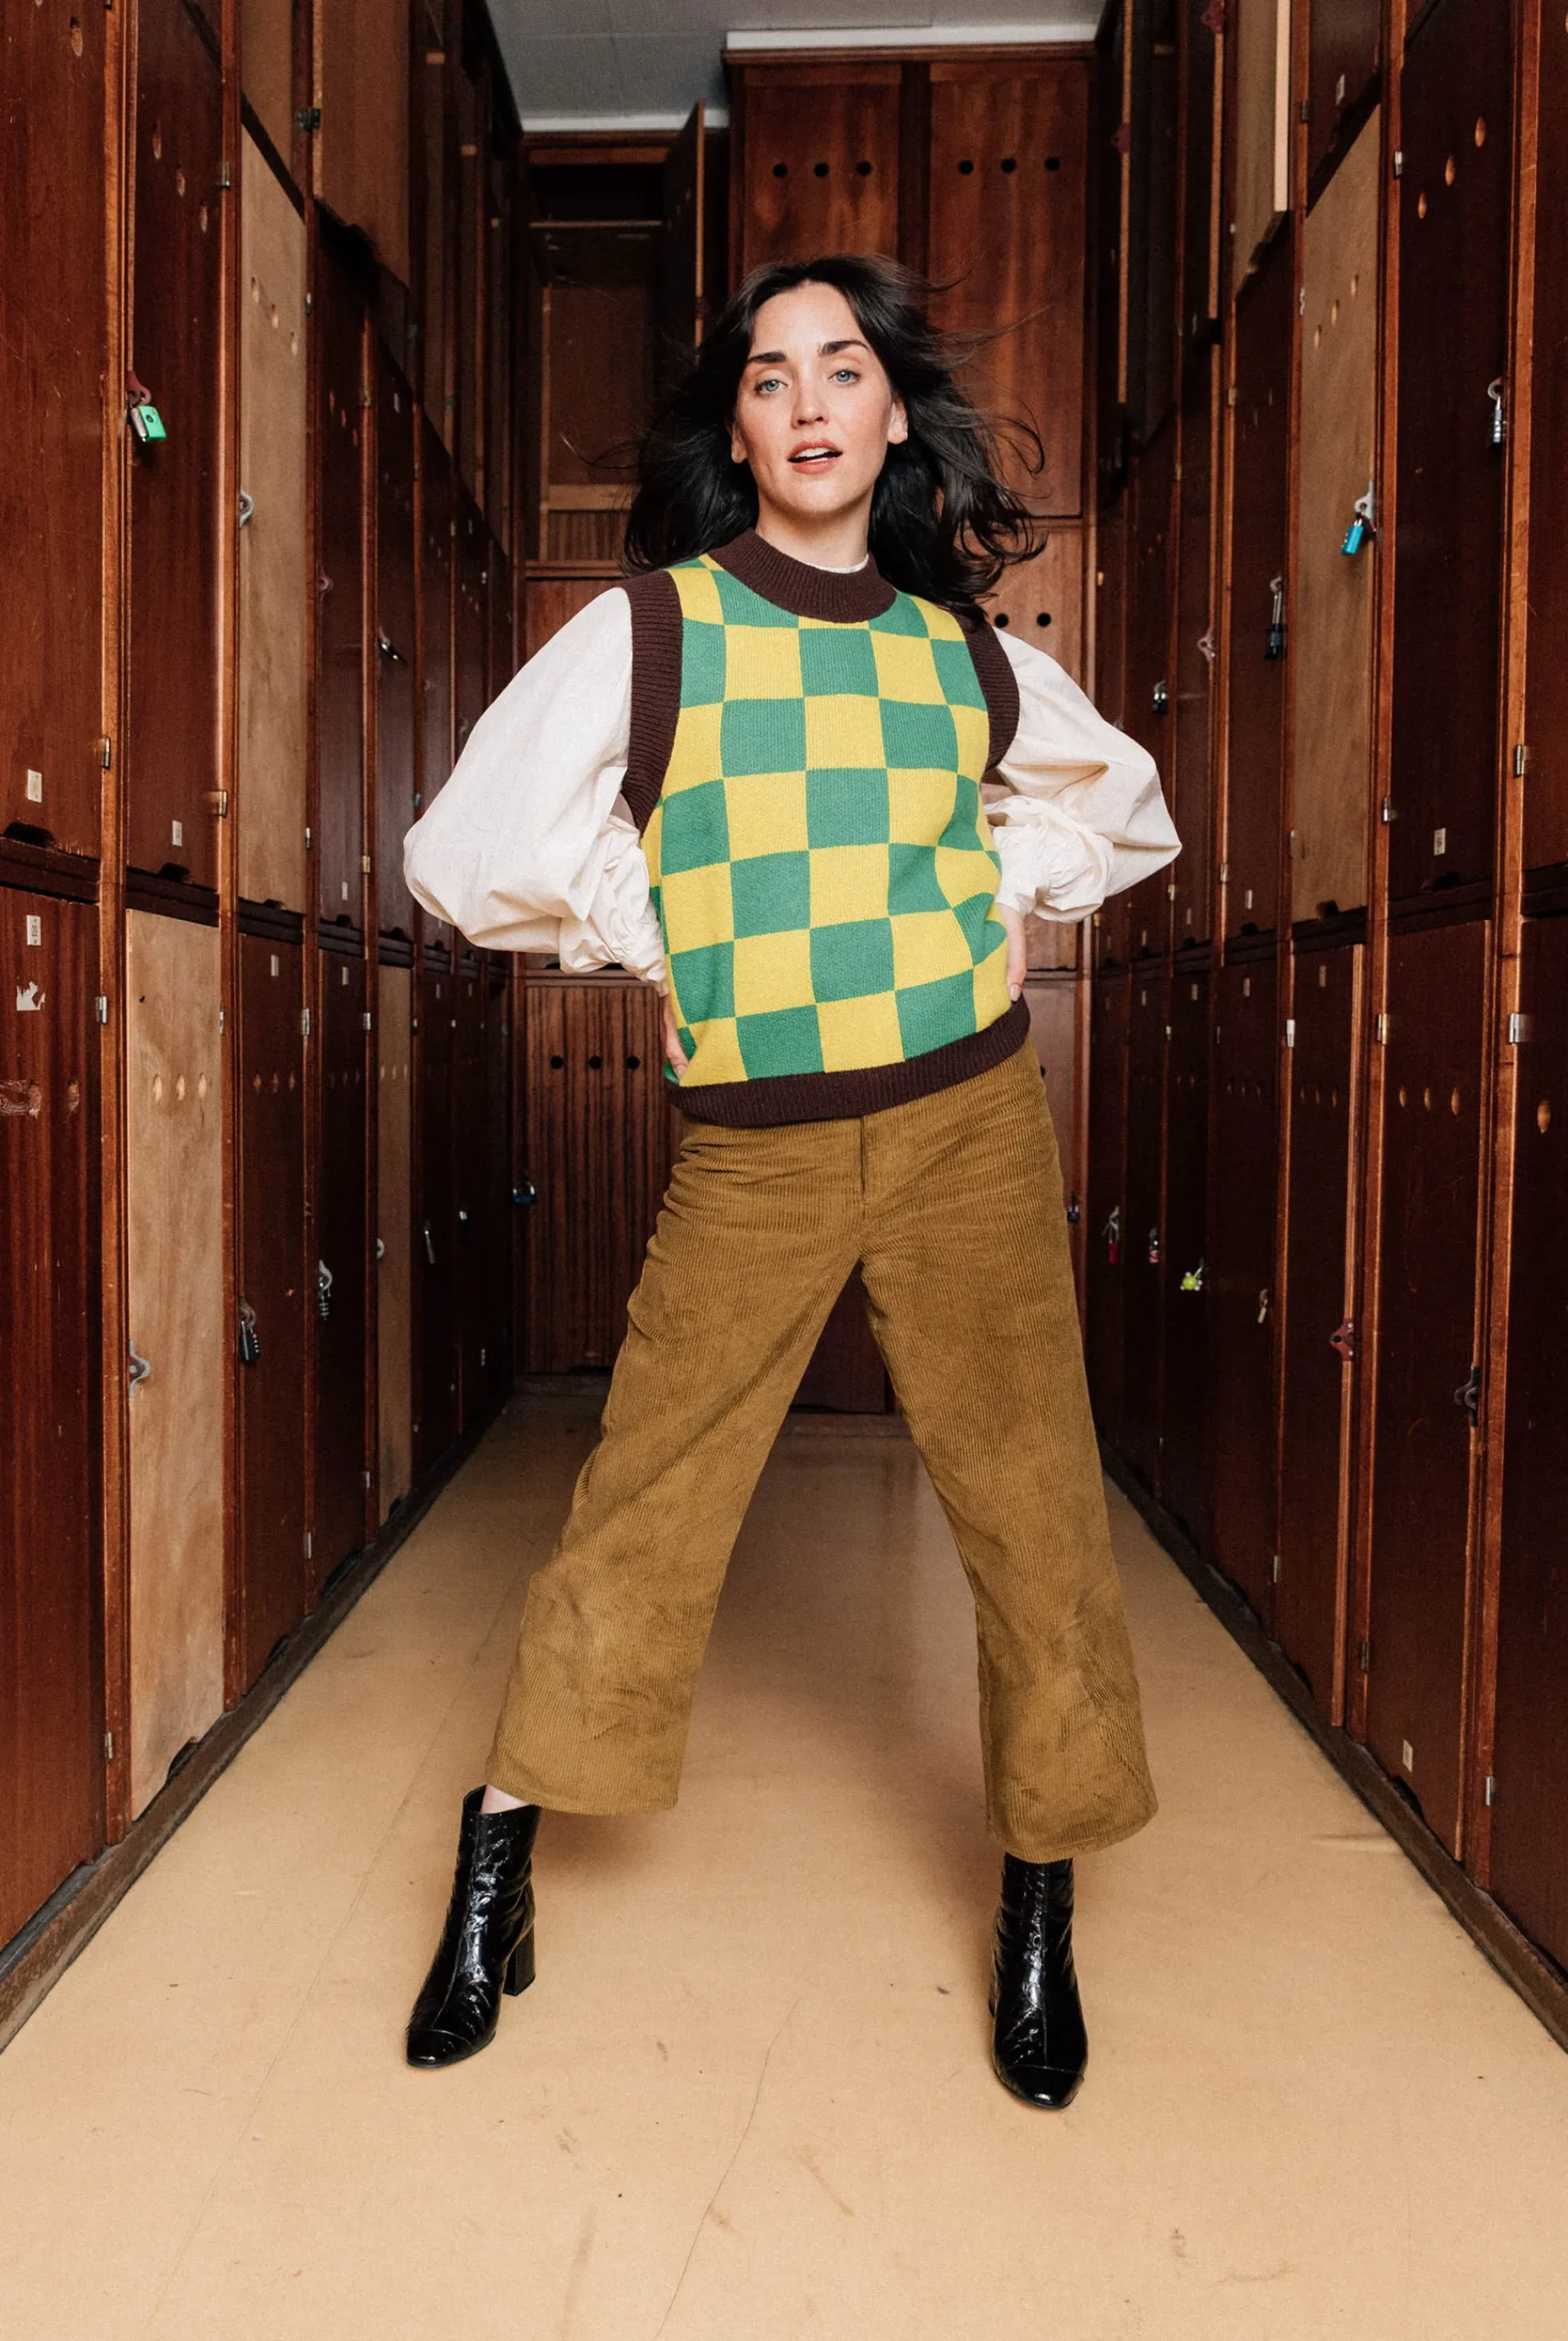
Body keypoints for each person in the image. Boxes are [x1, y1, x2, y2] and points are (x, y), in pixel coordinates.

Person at [401, 253, 1179, 2110]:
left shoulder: (965, 655)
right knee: (643, 1498)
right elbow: (465, 845)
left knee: (1033, 1512)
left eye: (841, 369)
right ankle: (498, 1854)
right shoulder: (653, 632)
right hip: (753, 1143)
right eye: (769, 376)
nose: (808, 401)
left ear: (893, 416)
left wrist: (1000, 884)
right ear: (738, 427)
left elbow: (1120, 806)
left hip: (966, 1119)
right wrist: (653, 931)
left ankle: (1038, 1899)